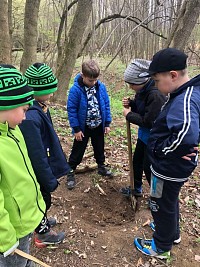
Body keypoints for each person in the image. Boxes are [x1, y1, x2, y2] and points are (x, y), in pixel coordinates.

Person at [134, 48, 200, 259]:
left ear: (173, 75)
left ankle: (161, 247)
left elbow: (187, 135)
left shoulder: (185, 99)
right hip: (172, 164)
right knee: (168, 201)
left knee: (159, 203)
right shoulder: (185, 92)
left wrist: (163, 150)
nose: (155, 84)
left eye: (156, 79)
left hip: (167, 167)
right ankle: (172, 233)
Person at [19, 63, 70, 247]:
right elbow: (36, 154)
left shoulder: (40, 107)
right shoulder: (30, 118)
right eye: (49, 90)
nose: (52, 94)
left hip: (43, 166)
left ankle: (42, 222)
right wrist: (48, 178)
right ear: (37, 90)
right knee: (40, 199)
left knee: (43, 199)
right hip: (36, 171)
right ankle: (42, 234)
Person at [0, 64, 46, 266]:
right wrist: (5, 239)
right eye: (24, 110)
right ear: (5, 104)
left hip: (24, 222)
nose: (26, 116)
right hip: (10, 234)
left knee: (25, 257)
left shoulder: (13, 130)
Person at [121, 59, 166, 197]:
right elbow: (144, 109)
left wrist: (129, 115)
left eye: (132, 84)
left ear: (142, 80)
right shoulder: (143, 90)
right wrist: (132, 104)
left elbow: (149, 121)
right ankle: (136, 188)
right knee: (137, 163)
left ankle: (157, 197)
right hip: (144, 137)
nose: (130, 87)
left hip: (155, 139)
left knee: (150, 168)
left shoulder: (156, 94)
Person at [67, 59, 112, 181]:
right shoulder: (75, 90)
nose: (93, 82)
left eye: (95, 80)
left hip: (98, 124)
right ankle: (70, 170)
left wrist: (107, 123)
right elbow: (71, 110)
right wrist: (76, 129)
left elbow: (106, 104)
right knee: (78, 149)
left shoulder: (100, 87)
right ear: (83, 76)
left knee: (99, 147)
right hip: (83, 127)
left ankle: (101, 166)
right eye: (90, 80)